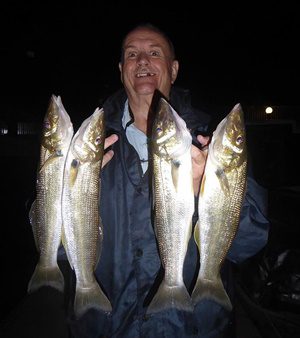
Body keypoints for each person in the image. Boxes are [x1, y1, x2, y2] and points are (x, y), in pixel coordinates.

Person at [65, 23, 269, 337]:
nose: (142, 60)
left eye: (154, 53)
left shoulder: (212, 144)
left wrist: (211, 193)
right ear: (122, 70)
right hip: (108, 326)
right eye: (132, 54)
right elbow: (59, 249)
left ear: (173, 70)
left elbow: (249, 242)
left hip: (191, 327)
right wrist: (66, 189)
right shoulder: (88, 144)